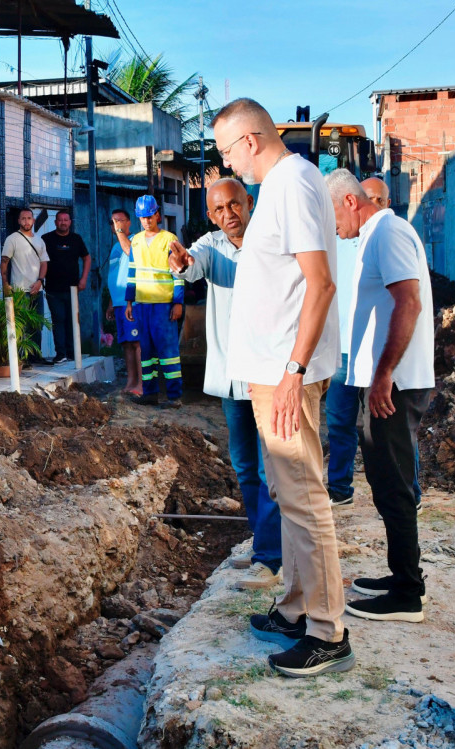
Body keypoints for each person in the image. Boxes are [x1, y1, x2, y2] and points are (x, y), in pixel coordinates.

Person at [213, 98, 353, 677]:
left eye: (224, 149)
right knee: (290, 498)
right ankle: (297, 607)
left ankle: (327, 632)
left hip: (284, 374)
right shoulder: (283, 184)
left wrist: (294, 373)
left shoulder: (292, 183)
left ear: (249, 140)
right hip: (271, 373)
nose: (224, 160)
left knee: (305, 499)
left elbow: (319, 285)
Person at [326, 169, 434, 623]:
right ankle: (403, 577)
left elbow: (409, 301)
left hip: (395, 381)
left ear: (350, 201)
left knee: (392, 485)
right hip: (384, 378)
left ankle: (407, 594)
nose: (329, 227)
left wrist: (384, 373)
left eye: (329, 213)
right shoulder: (373, 235)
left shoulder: (388, 230)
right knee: (387, 482)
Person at [168, 179, 283, 590]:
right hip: (234, 374)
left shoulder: (271, 239)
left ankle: (272, 557)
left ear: (248, 202)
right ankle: (263, 546)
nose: (228, 214)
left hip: (268, 373)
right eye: (218, 209)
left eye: (234, 204)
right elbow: (190, 263)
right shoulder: (211, 244)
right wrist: (180, 263)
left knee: (273, 465)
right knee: (244, 465)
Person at [123, 195, 183, 407]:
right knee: (146, 351)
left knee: (168, 352)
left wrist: (178, 302)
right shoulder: (136, 240)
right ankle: (149, 393)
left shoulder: (169, 239)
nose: (147, 220)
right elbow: (132, 273)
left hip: (163, 305)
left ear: (157, 214)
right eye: (142, 217)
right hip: (142, 305)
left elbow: (179, 272)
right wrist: (129, 302)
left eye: (150, 216)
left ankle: (174, 397)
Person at [42, 210, 91, 364]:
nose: (63, 222)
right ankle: (61, 353)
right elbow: (39, 260)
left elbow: (87, 258)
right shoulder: (46, 239)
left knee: (72, 320)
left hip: (73, 288)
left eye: (66, 220)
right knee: (59, 319)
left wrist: (83, 279)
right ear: (55, 222)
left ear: (70, 222)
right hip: (53, 289)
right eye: (60, 220)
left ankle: (73, 352)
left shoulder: (76, 239)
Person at [1, 207, 50, 360]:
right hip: (19, 290)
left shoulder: (39, 240)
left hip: (37, 289)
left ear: (33, 220)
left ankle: (36, 356)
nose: (26, 221)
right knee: (21, 325)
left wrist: (40, 281)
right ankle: (22, 359)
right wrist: (5, 284)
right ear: (18, 221)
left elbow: (44, 263)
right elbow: (4, 263)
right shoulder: (12, 239)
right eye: (23, 218)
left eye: (29, 218)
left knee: (37, 325)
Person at [106, 209, 143, 394]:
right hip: (119, 302)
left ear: (129, 222)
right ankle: (130, 381)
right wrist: (111, 303)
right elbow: (115, 275)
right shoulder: (114, 246)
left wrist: (120, 232)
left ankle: (142, 384)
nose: (117, 224)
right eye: (114, 222)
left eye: (120, 220)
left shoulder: (136, 240)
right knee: (126, 343)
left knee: (137, 343)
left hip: (133, 302)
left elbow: (131, 253)